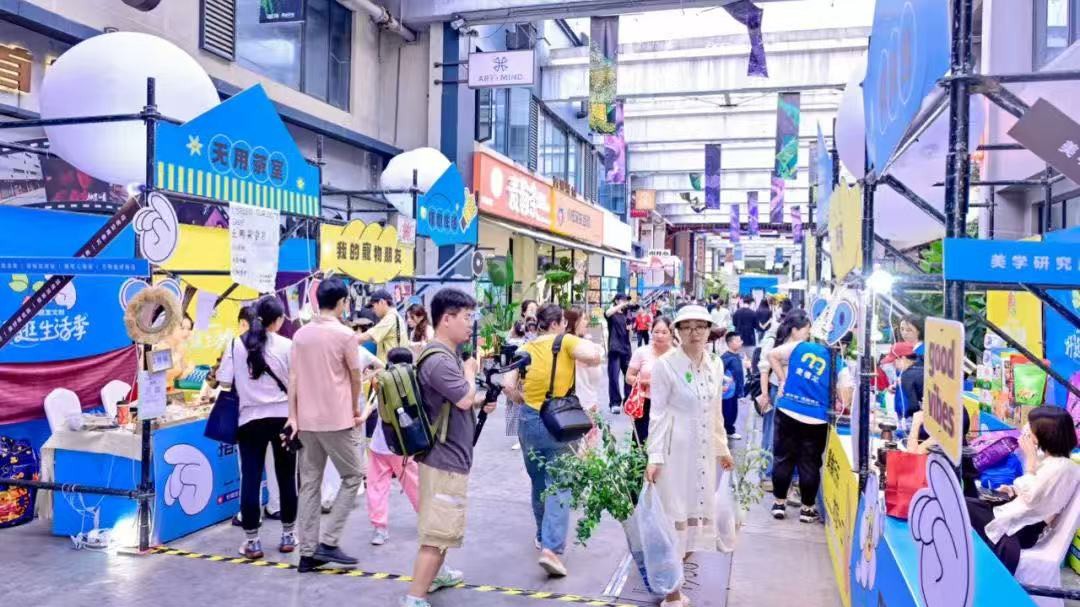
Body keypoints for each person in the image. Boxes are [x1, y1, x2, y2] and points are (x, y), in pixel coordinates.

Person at [402, 289, 496, 607]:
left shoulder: (445, 355)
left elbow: (459, 401)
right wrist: (470, 374)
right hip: (444, 458)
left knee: (443, 527)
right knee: (436, 533)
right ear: (446, 319)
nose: (471, 324)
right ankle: (414, 597)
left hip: (448, 455)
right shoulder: (441, 360)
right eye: (466, 317)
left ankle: (436, 576)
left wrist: (481, 400)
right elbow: (463, 398)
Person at [643, 305, 735, 607]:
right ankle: (671, 594)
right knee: (672, 521)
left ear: (709, 331)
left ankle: (673, 580)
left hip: (702, 452)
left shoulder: (715, 364)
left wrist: (722, 448)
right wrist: (654, 457)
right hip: (675, 454)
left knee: (695, 522)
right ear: (677, 332)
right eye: (687, 327)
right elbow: (657, 414)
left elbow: (716, 411)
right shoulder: (665, 366)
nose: (694, 333)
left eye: (700, 326)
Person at [503, 304, 603, 578]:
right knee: (559, 483)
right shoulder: (566, 341)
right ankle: (551, 549)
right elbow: (593, 356)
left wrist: (523, 400)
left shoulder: (525, 347)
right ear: (559, 323)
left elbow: (508, 385)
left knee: (538, 480)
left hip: (529, 421)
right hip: (559, 419)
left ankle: (541, 535)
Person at [286, 278, 366, 573]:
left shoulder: (301, 335)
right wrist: (355, 407)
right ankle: (329, 542)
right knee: (353, 475)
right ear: (342, 302)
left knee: (309, 484)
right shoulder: (346, 335)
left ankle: (307, 553)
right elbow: (356, 376)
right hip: (337, 418)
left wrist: (293, 416)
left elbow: (293, 378)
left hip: (306, 420)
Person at [218, 295, 299, 559]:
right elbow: (297, 383)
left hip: (249, 420)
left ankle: (252, 542)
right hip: (284, 419)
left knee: (251, 479)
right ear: (279, 320)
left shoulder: (236, 344)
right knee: (286, 477)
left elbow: (224, 381)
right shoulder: (288, 345)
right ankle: (288, 535)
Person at [967, 406, 1079, 574]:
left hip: (1023, 527)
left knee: (962, 507)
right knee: (964, 503)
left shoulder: (1063, 468)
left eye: (1031, 428)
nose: (1026, 431)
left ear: (1046, 435)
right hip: (1016, 516)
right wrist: (1012, 490)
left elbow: (1033, 496)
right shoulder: (1051, 460)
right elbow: (1038, 493)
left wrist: (1030, 463)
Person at [766, 319, 852, 523]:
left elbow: (772, 355)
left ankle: (779, 504)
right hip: (817, 418)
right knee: (810, 463)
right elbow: (845, 400)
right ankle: (807, 509)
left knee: (783, 458)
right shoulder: (839, 363)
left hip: (788, 409)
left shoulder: (799, 346)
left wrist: (783, 380)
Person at [366, 347, 421, 547]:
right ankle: (427, 518)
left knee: (377, 487)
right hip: (404, 445)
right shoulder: (414, 381)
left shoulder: (381, 380)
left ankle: (380, 529)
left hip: (380, 444)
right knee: (414, 484)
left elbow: (372, 402)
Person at [756, 311, 805, 488]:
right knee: (772, 433)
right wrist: (764, 394)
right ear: (794, 329)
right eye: (805, 330)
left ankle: (792, 476)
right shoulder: (775, 340)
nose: (808, 333)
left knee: (794, 435)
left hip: (797, 392)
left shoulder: (805, 344)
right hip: (776, 390)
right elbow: (764, 369)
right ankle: (767, 474)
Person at [626, 316, 676, 445]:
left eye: (664, 332)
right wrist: (643, 382)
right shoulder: (642, 352)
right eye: (656, 332)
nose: (659, 336)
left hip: (669, 405)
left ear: (671, 334)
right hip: (645, 404)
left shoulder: (677, 355)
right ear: (651, 332)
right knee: (641, 444)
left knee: (666, 445)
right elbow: (629, 377)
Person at [565, 307, 603, 448]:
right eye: (584, 319)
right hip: (584, 402)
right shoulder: (585, 346)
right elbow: (596, 370)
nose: (587, 322)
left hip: (568, 404)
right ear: (574, 322)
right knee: (586, 449)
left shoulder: (561, 344)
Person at [358, 288, 409, 362]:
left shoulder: (390, 318)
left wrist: (348, 341)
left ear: (382, 302)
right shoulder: (394, 316)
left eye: (373, 306)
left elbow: (367, 336)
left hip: (391, 366)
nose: (373, 310)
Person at [605, 294, 634, 413]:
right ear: (616, 301)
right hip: (615, 349)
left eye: (626, 300)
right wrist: (621, 305)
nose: (625, 302)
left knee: (629, 376)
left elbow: (630, 334)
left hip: (626, 349)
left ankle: (628, 401)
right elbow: (607, 313)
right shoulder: (612, 314)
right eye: (623, 300)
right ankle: (615, 403)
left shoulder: (627, 314)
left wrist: (630, 330)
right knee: (614, 377)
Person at [720, 332, 745, 440]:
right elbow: (718, 372)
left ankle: (729, 430)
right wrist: (726, 381)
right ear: (730, 343)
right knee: (727, 411)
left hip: (734, 391)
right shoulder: (725, 358)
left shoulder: (737, 356)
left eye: (740, 340)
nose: (741, 342)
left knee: (733, 410)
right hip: (727, 391)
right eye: (738, 340)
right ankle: (728, 431)